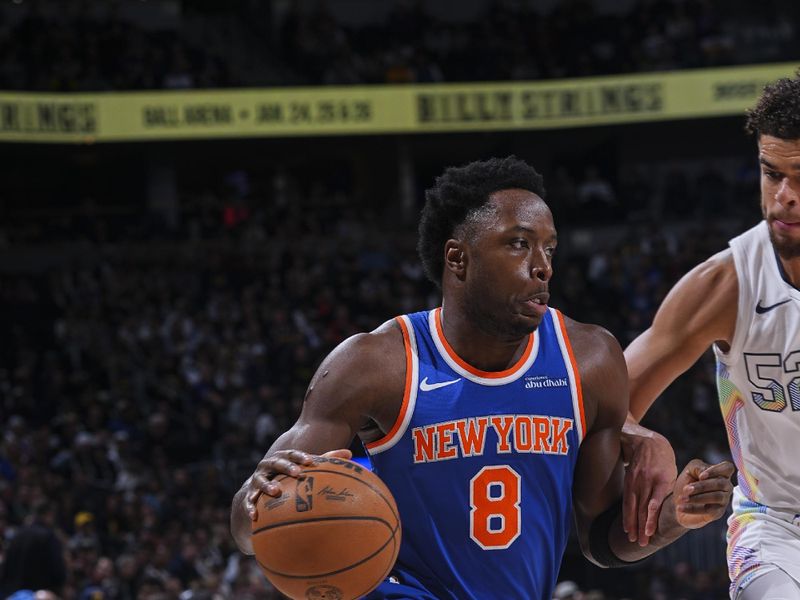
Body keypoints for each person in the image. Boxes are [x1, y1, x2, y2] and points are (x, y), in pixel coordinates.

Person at [230, 156, 734, 599]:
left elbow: (600, 539)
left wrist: (670, 519)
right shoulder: (375, 364)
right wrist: (257, 502)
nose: (542, 268)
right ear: (458, 258)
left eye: (549, 250)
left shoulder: (590, 359)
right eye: (518, 245)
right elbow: (248, 528)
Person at [621, 71, 800, 599]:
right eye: (772, 174)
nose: (784, 196)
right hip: (775, 525)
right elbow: (608, 402)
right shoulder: (726, 284)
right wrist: (646, 441)